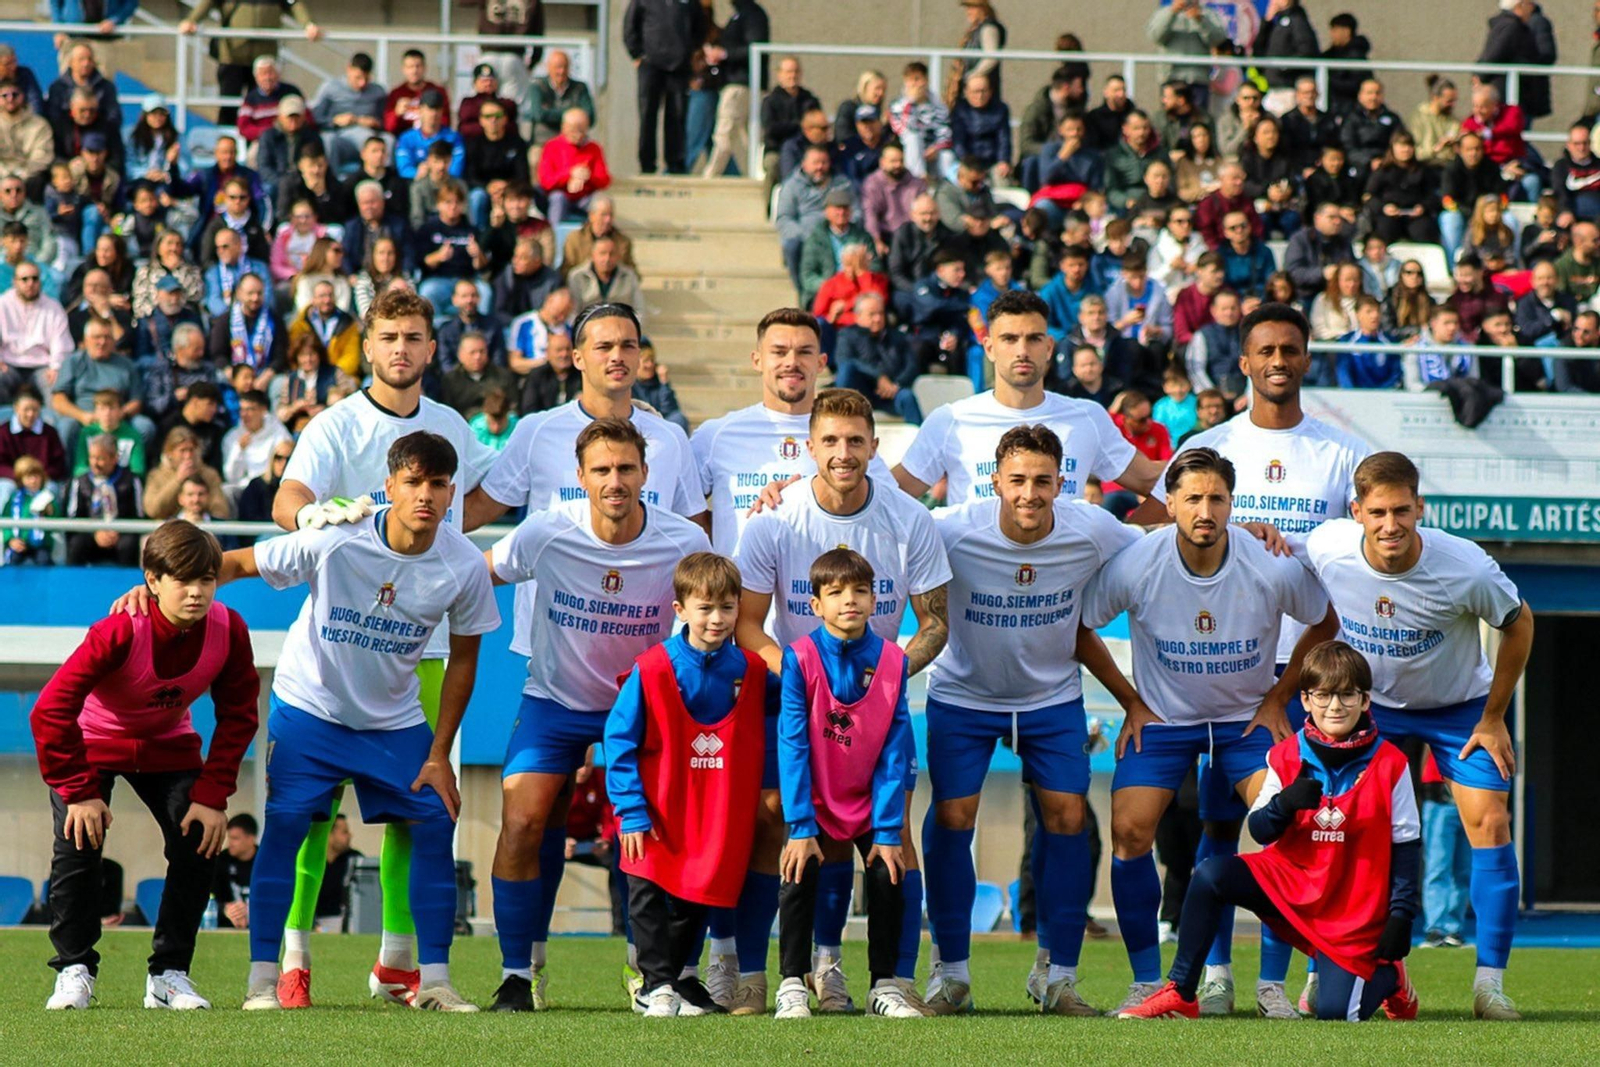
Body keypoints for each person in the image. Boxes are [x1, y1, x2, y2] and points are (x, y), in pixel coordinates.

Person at [264, 287, 498, 1006]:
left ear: (432, 347)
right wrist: (313, 513)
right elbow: (285, 501)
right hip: (341, 649)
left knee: (417, 806)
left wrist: (448, 541)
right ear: (367, 346)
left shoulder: (452, 424)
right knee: (310, 812)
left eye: (414, 336)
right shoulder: (336, 423)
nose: (401, 348)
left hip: (421, 646)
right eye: (389, 336)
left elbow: (490, 494)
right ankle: (294, 954)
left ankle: (400, 961)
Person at [1084, 446, 1337, 1016]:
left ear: (1232, 504)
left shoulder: (1268, 562)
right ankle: (1150, 981)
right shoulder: (1137, 562)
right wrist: (1129, 701)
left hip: (1246, 721)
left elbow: (1324, 620)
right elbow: (1080, 625)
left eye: (1216, 498)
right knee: (1129, 831)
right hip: (1166, 721)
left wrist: (1278, 696)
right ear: (1169, 503)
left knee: (1288, 826)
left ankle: (1272, 985)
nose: (1205, 510)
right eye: (1192, 498)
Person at [482, 416, 710, 1013]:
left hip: (648, 710)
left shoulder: (683, 540)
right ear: (580, 476)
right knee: (525, 821)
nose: (615, 480)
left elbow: (714, 615)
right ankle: (517, 973)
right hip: (555, 703)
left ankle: (655, 974)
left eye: (626, 468)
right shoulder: (546, 532)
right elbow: (476, 575)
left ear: (645, 473)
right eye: (602, 470)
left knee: (666, 831)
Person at [733, 388, 949, 1014]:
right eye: (830, 440)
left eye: (856, 440)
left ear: (875, 448)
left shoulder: (909, 518)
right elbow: (749, 623)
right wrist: (808, 671)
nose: (843, 452)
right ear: (809, 447)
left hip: (875, 703)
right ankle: (773, 970)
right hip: (798, 693)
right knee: (782, 821)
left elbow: (934, 622)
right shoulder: (775, 518)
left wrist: (883, 675)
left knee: (891, 835)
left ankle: (890, 980)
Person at [1297, 451, 1533, 1020]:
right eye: (1377, 512)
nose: (1390, 524)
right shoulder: (1326, 546)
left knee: (1491, 821)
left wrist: (1494, 716)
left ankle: (1489, 985)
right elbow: (1280, 559)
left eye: (1402, 510)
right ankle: (1320, 969)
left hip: (1460, 709)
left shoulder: (1465, 567)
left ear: (1419, 506)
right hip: (1373, 710)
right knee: (1338, 830)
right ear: (1356, 511)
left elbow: (1519, 622)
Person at [919, 425, 1140, 1015]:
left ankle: (1057, 976)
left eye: (1043, 481)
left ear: (1060, 482)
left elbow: (1156, 540)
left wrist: (1246, 531)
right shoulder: (952, 528)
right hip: (965, 694)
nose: (1029, 493)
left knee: (1068, 817)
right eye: (1017, 479)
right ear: (995, 480)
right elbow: (878, 525)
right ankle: (951, 974)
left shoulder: (1090, 528)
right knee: (952, 814)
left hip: (1049, 698)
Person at [1117, 640, 1421, 1022]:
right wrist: (1284, 803)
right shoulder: (1285, 754)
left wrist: (1400, 919)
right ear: (1306, 700)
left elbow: (1407, 848)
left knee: (1335, 1013)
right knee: (1212, 873)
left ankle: (1391, 976)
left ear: (1365, 700)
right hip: (1292, 886)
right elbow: (1260, 831)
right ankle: (1181, 991)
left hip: (1354, 907)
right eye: (1323, 695)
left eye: (1347, 695)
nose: (1335, 706)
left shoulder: (1392, 763)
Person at [32, 521, 259, 1011]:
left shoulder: (230, 629)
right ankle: (74, 969)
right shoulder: (117, 630)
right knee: (78, 843)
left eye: (206, 579)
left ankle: (169, 974)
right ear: (152, 580)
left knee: (199, 840)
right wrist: (79, 790)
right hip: (95, 743)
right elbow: (50, 710)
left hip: (168, 744)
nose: (197, 592)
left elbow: (240, 715)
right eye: (183, 580)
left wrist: (213, 794)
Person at [604, 552, 773, 1017]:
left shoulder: (754, 673)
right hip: (654, 811)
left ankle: (674, 980)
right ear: (680, 610)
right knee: (648, 894)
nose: (717, 619)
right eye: (705, 608)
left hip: (714, 813)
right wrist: (631, 811)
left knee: (696, 894)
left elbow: (793, 716)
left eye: (727, 607)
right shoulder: (653, 668)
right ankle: (654, 985)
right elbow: (618, 740)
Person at [771, 547, 919, 1020]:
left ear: (875, 600)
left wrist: (890, 827)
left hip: (868, 798)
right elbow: (792, 744)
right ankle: (793, 982)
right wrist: (799, 824)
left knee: (887, 868)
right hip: (814, 796)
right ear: (815, 604)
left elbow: (895, 749)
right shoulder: (799, 658)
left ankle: (885, 985)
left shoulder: (894, 661)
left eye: (859, 591)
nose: (848, 601)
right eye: (835, 593)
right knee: (797, 869)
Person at [896, 290, 1161, 504]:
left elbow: (1149, 479)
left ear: (1048, 348)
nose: (1022, 351)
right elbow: (890, 493)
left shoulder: (1087, 417)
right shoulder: (951, 420)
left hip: (1062, 568)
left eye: (1033, 339)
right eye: (1010, 339)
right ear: (989, 348)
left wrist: (1203, 445)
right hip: (975, 570)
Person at [179, 0, 321, 126]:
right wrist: (192, 20)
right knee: (228, 103)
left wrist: (308, 24)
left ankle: (259, 140)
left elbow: (294, 4)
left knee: (262, 105)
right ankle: (227, 142)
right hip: (232, 57)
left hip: (263, 60)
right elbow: (208, 3)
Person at [624, 0, 709, 175]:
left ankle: (676, 164)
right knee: (648, 115)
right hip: (650, 66)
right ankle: (647, 164)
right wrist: (638, 54)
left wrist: (688, 52)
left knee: (677, 116)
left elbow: (700, 27)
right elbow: (630, 27)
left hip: (679, 67)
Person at [833, 293, 921, 425]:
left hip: (890, 394)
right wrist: (878, 377)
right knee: (847, 369)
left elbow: (912, 366)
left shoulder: (897, 337)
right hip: (860, 393)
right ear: (858, 317)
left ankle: (921, 441)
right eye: (872, 314)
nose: (878, 318)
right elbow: (844, 362)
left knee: (907, 396)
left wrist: (895, 385)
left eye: (881, 313)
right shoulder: (847, 335)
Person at [1476, 0, 1552, 125]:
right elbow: (1493, 55)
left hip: (1512, 94)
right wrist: (1481, 76)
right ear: (1519, 5)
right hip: (1507, 95)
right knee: (1513, 138)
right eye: (1529, 3)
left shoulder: (1511, 25)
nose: (1532, 7)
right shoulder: (1511, 26)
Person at [0, 260, 72, 391]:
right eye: (25, 279)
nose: (30, 283)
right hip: (8, 363)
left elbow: (61, 343)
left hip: (41, 366)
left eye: (35, 278)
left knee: (57, 387)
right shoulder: (3, 304)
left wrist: (55, 367)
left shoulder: (54, 307)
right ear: (15, 282)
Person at [310, 53, 388, 173]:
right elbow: (316, 118)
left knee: (388, 141)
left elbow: (385, 121)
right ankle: (334, 182)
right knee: (328, 140)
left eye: (366, 79)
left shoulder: (377, 91)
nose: (362, 83)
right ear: (348, 69)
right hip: (339, 136)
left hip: (367, 135)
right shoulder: (330, 88)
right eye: (358, 77)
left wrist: (375, 122)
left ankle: (382, 180)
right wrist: (334, 121)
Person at [538, 108, 611, 229]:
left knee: (601, 202)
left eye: (582, 129)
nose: (578, 134)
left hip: (585, 197)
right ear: (564, 127)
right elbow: (546, 182)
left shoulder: (594, 148)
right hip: (561, 196)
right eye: (574, 129)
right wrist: (569, 174)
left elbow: (605, 180)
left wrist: (588, 176)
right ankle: (555, 240)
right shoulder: (551, 146)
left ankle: (600, 237)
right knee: (557, 198)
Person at [1147, 0, 1229, 107]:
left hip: (1198, 79)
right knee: (1171, 118)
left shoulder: (1209, 14)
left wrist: (1201, 20)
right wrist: (1172, 12)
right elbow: (1155, 36)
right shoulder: (1163, 12)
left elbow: (1218, 39)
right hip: (1171, 77)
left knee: (1199, 120)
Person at [888, 61, 953, 183]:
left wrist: (936, 148)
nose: (914, 84)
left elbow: (945, 132)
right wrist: (911, 103)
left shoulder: (938, 106)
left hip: (933, 152)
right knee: (913, 138)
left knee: (947, 157)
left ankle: (947, 189)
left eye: (917, 79)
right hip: (909, 150)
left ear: (926, 80)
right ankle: (916, 182)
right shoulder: (897, 106)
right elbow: (902, 130)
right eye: (910, 80)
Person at [1251, 0, 1319, 110]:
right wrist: (1267, 22)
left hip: (1288, 88)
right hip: (1272, 88)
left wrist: (1283, 67)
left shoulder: (1297, 20)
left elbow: (1307, 51)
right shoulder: (1276, 22)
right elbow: (1258, 49)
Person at [221, 388, 291, 496]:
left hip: (272, 485)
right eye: (242, 410)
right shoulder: (232, 436)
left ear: (263, 410)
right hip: (244, 489)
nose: (244, 414)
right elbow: (231, 477)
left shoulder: (278, 431)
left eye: (250, 409)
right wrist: (239, 449)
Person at [1284, 202, 1356, 302]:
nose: (1337, 221)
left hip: (1338, 297)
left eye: (1340, 218)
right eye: (1332, 217)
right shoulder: (1300, 239)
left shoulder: (1344, 242)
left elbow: (1353, 267)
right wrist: (1322, 273)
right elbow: (1293, 273)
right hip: (1307, 296)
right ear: (1317, 218)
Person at [530, 49, 598, 148]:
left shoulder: (580, 88)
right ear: (548, 68)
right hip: (543, 142)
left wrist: (552, 114)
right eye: (558, 67)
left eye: (565, 67)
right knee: (535, 158)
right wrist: (573, 116)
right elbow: (539, 115)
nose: (561, 71)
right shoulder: (537, 86)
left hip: (574, 143)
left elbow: (590, 117)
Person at [441, 332, 516, 419]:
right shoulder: (450, 380)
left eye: (482, 351)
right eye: (472, 352)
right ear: (460, 355)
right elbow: (448, 413)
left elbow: (513, 409)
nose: (478, 356)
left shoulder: (503, 376)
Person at [395, 90, 464, 182]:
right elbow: (404, 169)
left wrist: (436, 174)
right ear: (420, 110)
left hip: (446, 185)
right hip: (416, 183)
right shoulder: (406, 138)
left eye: (437, 109)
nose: (434, 114)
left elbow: (456, 169)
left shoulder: (453, 137)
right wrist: (417, 172)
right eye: (429, 109)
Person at [1341, 80, 1406, 176]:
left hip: (1388, 165)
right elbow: (1348, 147)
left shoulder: (1393, 119)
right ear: (1360, 95)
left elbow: (1400, 141)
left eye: (1377, 93)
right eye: (1369, 93)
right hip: (1360, 168)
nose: (1373, 97)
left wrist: (1387, 161)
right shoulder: (1351, 119)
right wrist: (1369, 162)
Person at [383, 50, 450, 138]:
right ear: (403, 69)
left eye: (418, 66)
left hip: (432, 137)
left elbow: (446, 121)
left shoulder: (437, 91)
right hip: (404, 140)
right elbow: (389, 127)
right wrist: (396, 113)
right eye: (410, 67)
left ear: (425, 68)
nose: (414, 71)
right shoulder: (396, 93)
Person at [213, 813, 260, 929]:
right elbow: (212, 897)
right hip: (227, 926)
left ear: (251, 838)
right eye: (229, 838)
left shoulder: (267, 862)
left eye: (235, 838)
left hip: (260, 924)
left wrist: (249, 911)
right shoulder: (221, 860)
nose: (230, 843)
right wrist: (226, 909)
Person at [1411, 76, 1462, 166]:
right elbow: (1416, 150)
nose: (1453, 105)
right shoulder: (1420, 117)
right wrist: (1436, 149)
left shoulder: (1453, 121)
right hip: (1424, 165)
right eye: (1449, 101)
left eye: (1454, 101)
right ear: (1435, 98)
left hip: (1447, 166)